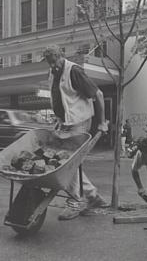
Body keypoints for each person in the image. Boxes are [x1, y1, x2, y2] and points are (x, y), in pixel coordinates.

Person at [43, 44, 109, 220]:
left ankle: (77, 200)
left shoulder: (74, 71)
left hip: (80, 122)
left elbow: (99, 95)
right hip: (65, 122)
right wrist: (59, 120)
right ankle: (92, 195)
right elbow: (60, 98)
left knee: (68, 162)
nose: (52, 65)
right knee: (68, 161)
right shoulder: (52, 72)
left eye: (55, 61)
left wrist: (102, 123)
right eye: (49, 62)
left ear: (61, 56)